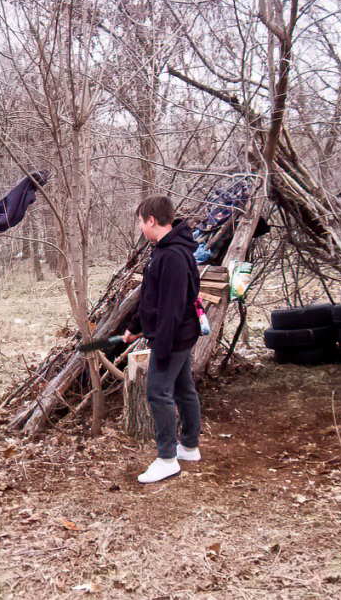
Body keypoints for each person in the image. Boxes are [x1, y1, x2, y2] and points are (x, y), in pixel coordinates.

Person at [123, 195, 202, 483]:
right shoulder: (165, 251)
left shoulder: (173, 256)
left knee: (158, 393)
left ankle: (167, 458)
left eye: (141, 222)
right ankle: (190, 447)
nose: (141, 228)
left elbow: (172, 308)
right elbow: (152, 298)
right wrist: (135, 325)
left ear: (152, 221)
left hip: (175, 337)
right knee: (183, 389)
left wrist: (163, 347)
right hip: (177, 335)